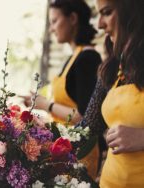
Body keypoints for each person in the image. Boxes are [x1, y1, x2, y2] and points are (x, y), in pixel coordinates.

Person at [22, 0, 101, 178]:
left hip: (81, 152)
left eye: (55, 21)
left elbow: (84, 117)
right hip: (67, 148)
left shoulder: (87, 58)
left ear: (72, 18)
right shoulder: (75, 57)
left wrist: (46, 105)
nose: (51, 28)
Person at [77, 0, 144, 187]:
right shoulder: (112, 68)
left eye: (106, 12)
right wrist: (37, 139)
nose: (99, 24)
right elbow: (87, 128)